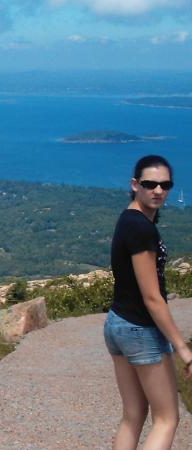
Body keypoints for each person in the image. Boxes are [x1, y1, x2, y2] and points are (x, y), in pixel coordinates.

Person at [104, 155, 192, 450]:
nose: (158, 190)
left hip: (117, 324)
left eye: (165, 184)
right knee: (167, 418)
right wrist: (183, 349)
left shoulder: (128, 218)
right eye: (149, 183)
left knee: (133, 415)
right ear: (135, 185)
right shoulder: (142, 229)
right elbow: (152, 298)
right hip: (140, 329)